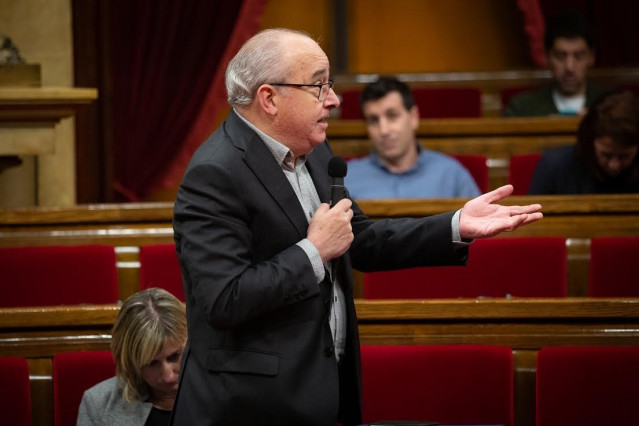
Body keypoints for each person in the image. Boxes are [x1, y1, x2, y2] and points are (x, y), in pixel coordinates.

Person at [170, 28, 542, 426]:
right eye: (318, 86)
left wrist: (455, 225)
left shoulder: (311, 149)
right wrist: (313, 252)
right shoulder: (215, 172)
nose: (333, 99)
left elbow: (358, 239)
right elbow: (223, 299)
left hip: (319, 393)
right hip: (248, 409)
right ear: (269, 98)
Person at [344, 76, 481, 199]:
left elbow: (478, 222)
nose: (384, 130)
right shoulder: (347, 180)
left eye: (392, 116)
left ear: (414, 117)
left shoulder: (450, 174)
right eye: (373, 120)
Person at [77, 288, 187, 426]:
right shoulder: (99, 404)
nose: (168, 376)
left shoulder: (219, 393)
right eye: (152, 364)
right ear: (132, 363)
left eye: (174, 357)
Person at [529, 89, 639, 194]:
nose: (614, 165)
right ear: (591, 142)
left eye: (624, 156)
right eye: (606, 155)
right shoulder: (554, 167)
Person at [503, 12, 611, 117]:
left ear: (591, 57)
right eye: (560, 56)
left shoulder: (610, 104)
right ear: (547, 57)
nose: (569, 67)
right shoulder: (522, 108)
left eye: (578, 56)